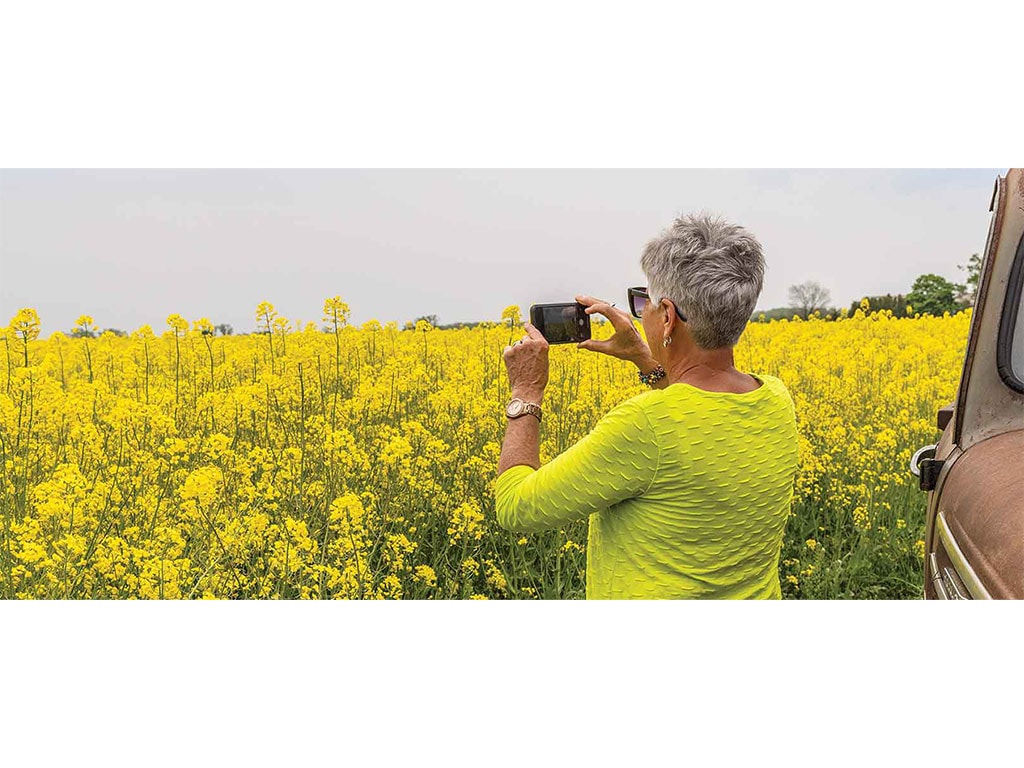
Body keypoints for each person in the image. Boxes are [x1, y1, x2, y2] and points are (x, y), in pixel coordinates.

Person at [494, 213, 799, 599]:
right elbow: (701, 414)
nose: (643, 313)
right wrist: (648, 359)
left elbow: (515, 506)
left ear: (668, 316)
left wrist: (527, 389)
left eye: (646, 302)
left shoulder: (645, 426)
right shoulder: (775, 399)